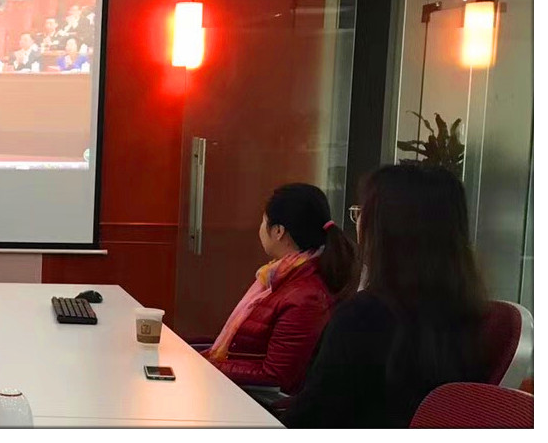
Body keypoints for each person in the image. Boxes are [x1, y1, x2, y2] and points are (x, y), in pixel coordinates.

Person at [282, 165, 491, 428]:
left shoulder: (361, 317)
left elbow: (309, 420)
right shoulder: (473, 316)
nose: (358, 224)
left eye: (361, 213)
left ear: (384, 230)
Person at [204, 184, 358, 394]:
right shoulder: (279, 277)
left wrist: (208, 367)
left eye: (263, 220)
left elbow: (276, 377)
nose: (260, 228)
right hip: (236, 390)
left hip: (256, 404)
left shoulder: (306, 297)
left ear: (278, 231)